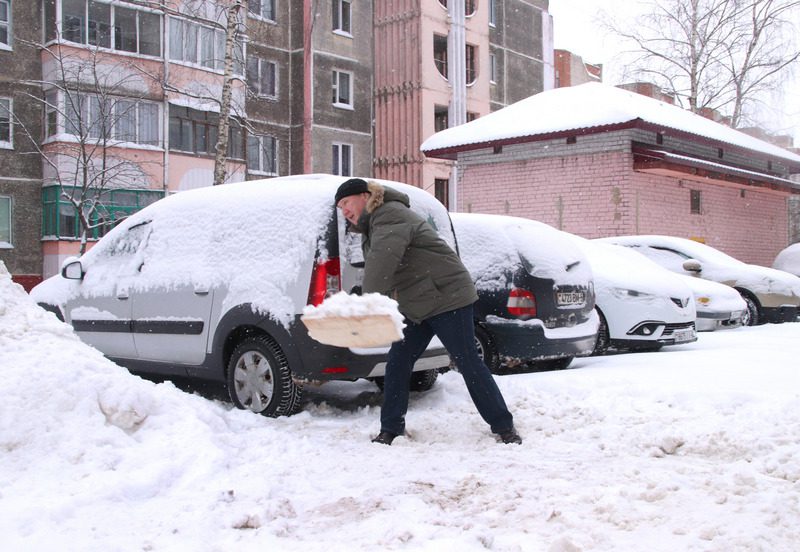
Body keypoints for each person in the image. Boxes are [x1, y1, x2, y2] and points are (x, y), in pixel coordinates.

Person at [335, 178, 522, 445]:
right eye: (340, 207)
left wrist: (367, 302)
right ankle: (390, 429)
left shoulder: (389, 215)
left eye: (346, 203)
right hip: (418, 303)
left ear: (365, 196)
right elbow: (393, 270)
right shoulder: (374, 225)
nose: (344, 211)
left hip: (448, 296)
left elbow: (382, 263)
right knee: (398, 362)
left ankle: (504, 427)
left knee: (467, 360)